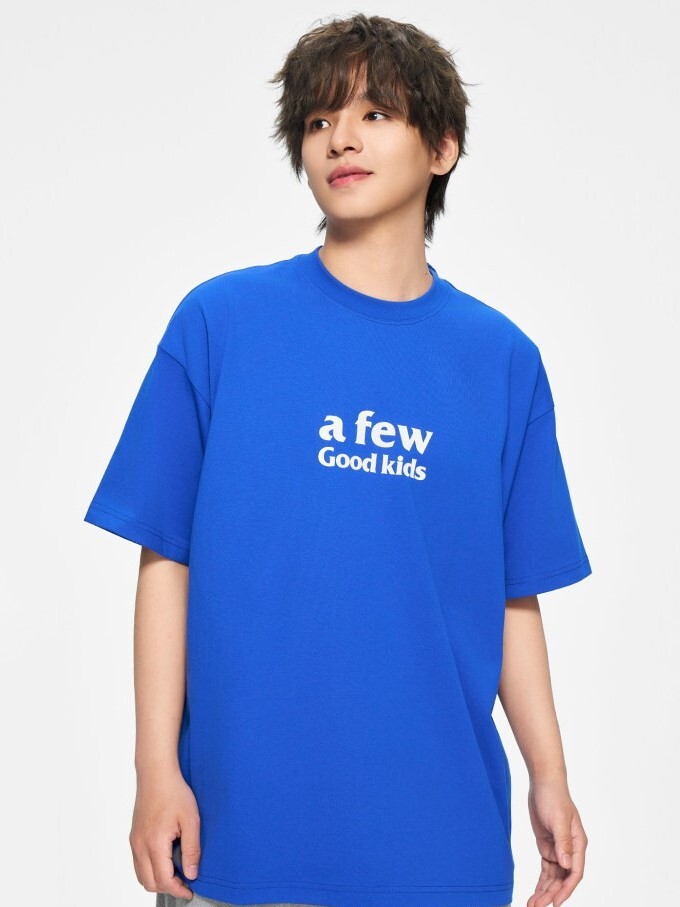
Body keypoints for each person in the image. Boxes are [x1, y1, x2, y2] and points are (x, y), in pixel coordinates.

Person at [83, 13, 592, 907]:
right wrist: (155, 768)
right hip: (242, 835)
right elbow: (166, 557)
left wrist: (549, 774)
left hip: (440, 840)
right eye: (319, 120)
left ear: (443, 147)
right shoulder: (221, 324)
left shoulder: (501, 361)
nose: (340, 139)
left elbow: (512, 594)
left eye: (374, 114)